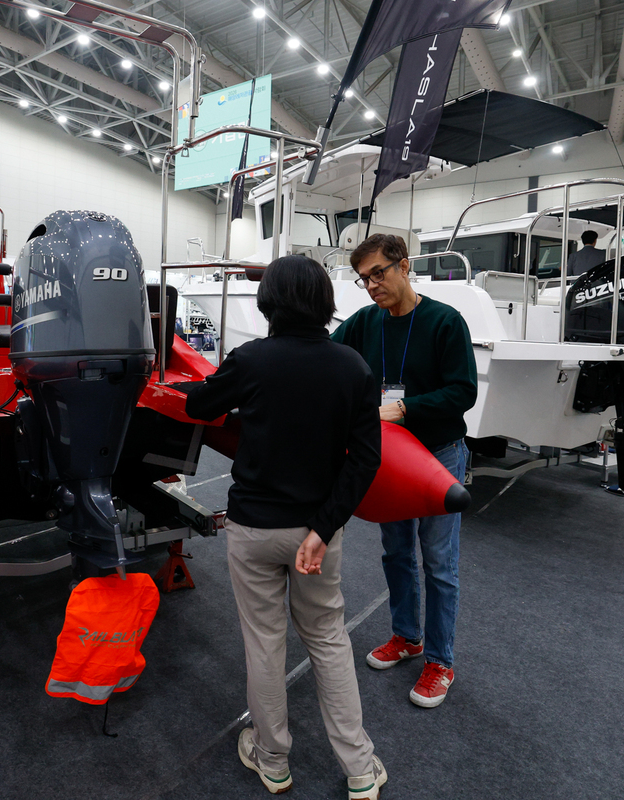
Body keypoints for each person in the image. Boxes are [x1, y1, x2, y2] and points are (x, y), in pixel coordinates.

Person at [183, 255, 388, 800]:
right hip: (316, 534)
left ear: (268, 302)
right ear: (324, 301)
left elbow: (199, 404)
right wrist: (324, 527)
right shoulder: (353, 367)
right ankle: (360, 768)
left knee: (265, 643)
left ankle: (272, 760)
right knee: (328, 638)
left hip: (253, 529)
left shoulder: (251, 360)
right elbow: (366, 459)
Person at [331, 233, 477, 709]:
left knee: (438, 562)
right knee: (395, 554)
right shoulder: (364, 322)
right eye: (364, 279)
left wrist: (404, 408)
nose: (372, 285)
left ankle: (440, 660)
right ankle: (407, 637)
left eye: (379, 273)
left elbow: (463, 392)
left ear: (404, 266)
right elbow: (328, 354)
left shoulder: (444, 321)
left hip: (438, 455)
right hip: (389, 458)